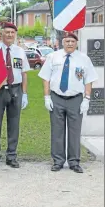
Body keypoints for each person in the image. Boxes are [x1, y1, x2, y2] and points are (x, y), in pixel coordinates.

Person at [38, 32, 98, 173]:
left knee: (74, 131)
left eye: (72, 41)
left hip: (75, 99)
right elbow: (45, 78)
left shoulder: (84, 59)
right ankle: (58, 161)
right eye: (67, 41)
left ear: (76, 43)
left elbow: (88, 80)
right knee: (57, 131)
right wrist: (47, 97)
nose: (70, 43)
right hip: (57, 98)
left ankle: (74, 161)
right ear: (62, 42)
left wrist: (87, 98)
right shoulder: (53, 57)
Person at [0, 22, 30, 170]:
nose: (10, 35)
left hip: (15, 90)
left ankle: (11, 156)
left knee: (14, 125)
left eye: (12, 33)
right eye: (7, 32)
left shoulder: (20, 52)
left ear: (15, 35)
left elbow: (24, 73)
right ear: (2, 33)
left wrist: (24, 93)